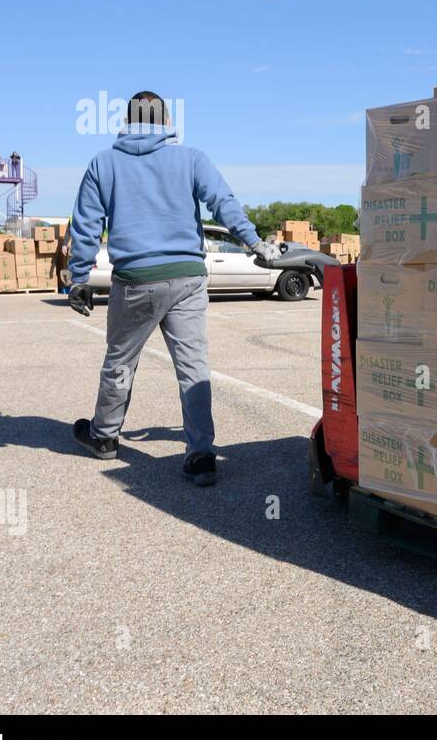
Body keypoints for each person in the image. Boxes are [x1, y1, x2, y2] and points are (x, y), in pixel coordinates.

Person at [66, 91, 280, 486]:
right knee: (192, 367)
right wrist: (254, 243)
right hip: (187, 278)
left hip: (134, 280)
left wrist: (78, 277)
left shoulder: (104, 163)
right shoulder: (191, 158)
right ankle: (201, 455)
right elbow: (223, 203)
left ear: (127, 122)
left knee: (120, 361)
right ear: (166, 122)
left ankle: (104, 437)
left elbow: (86, 224)